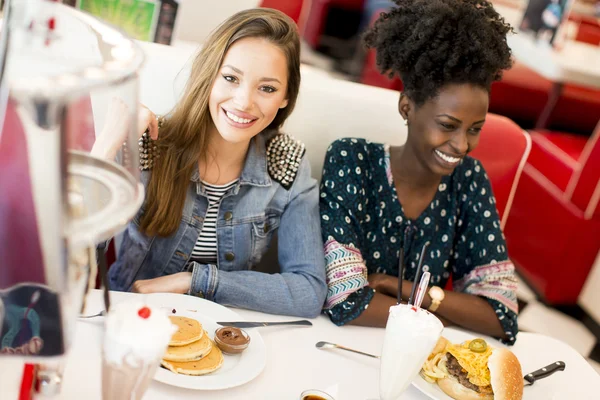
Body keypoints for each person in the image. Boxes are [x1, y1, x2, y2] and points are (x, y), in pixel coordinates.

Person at [96, 9, 327, 318]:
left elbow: (309, 291)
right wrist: (107, 146)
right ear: (209, 76)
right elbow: (67, 250)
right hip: (131, 323)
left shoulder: (286, 164)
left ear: (286, 96)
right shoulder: (150, 143)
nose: (244, 102)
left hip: (219, 334)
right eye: (231, 78)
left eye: (267, 88)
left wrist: (192, 282)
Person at [319, 0, 519, 343]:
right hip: (338, 349)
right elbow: (346, 302)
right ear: (407, 107)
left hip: (423, 363)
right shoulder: (351, 161)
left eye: (474, 129)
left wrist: (413, 292)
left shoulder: (468, 180)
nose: (461, 145)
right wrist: (443, 308)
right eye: (448, 125)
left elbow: (501, 316)